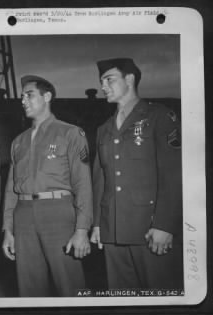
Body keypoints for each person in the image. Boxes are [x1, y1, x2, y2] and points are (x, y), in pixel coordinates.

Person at [90, 58, 183, 290]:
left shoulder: (159, 116)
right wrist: (99, 224)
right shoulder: (104, 128)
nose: (103, 86)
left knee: (160, 295)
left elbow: (173, 174)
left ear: (129, 79)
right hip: (113, 231)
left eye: (109, 79)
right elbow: (100, 178)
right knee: (121, 297)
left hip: (149, 230)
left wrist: (165, 224)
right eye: (101, 81)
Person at [2, 75, 93, 297]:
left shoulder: (70, 133)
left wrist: (82, 229)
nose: (23, 100)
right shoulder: (18, 141)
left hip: (58, 213)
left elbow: (83, 184)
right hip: (23, 216)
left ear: (47, 96)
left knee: (70, 285)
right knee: (29, 287)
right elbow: (11, 190)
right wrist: (7, 230)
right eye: (22, 96)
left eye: (29, 95)